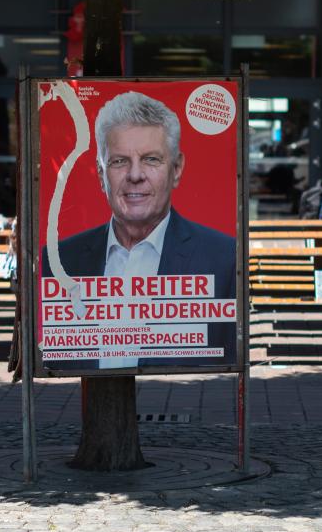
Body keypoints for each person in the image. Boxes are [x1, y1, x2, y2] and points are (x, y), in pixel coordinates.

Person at [43, 91, 236, 367]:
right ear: (101, 174)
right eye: (119, 161)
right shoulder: (57, 261)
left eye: (151, 159)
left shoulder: (224, 259)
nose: (135, 175)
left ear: (177, 169)